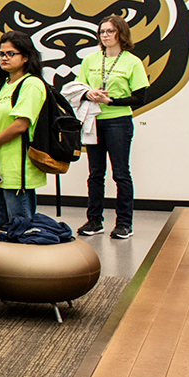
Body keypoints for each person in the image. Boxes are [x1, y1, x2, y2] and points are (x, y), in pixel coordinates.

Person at [75, 14, 148, 239]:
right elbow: (78, 86)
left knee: (121, 173)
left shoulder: (132, 62)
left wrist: (112, 101)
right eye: (102, 32)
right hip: (94, 120)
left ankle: (125, 223)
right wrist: (89, 93)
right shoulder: (91, 60)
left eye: (110, 31)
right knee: (95, 173)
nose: (105, 36)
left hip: (118, 121)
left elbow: (139, 97)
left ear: (121, 34)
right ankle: (94, 220)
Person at [0, 30, 49, 231]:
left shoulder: (31, 84)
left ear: (25, 57)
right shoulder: (2, 86)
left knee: (20, 229)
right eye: (1, 54)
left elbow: (20, 125)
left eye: (11, 53)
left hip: (19, 171)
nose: (4, 58)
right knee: (2, 226)